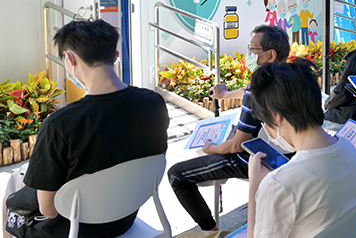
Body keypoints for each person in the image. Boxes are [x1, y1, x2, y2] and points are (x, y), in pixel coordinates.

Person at [4, 20, 169, 238]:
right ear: (115, 56)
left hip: (74, 230)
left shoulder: (59, 124)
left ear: (69, 59)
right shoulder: (154, 103)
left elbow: (49, 210)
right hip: (124, 220)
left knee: (11, 200)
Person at [168, 25, 290, 231]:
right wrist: (226, 95)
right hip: (287, 153)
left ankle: (212, 231)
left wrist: (212, 148)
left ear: (270, 55)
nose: (249, 55)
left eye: (253, 50)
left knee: (176, 175)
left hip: (257, 158)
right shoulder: (291, 76)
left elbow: (237, 145)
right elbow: (248, 90)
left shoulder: (258, 88)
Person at [245, 60, 356, 238]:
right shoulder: (348, 150)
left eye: (264, 121)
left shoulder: (279, 185)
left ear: (276, 116)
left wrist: (255, 187)